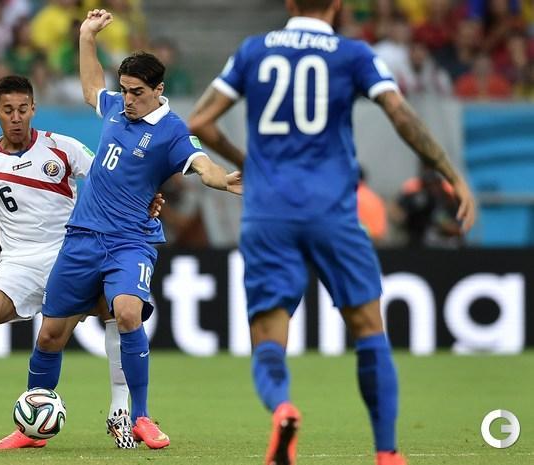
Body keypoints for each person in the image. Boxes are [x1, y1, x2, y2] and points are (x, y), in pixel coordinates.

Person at [188, 1, 476, 465]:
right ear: (337, 4)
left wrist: (251, 164)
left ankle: (283, 409)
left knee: (268, 336)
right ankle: (387, 452)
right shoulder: (353, 54)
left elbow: (200, 122)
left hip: (269, 213)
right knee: (369, 330)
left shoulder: (254, 50)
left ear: (289, 2)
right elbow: (400, 114)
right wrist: (450, 173)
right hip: (333, 211)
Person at [0, 8, 242, 451]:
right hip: (82, 237)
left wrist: (223, 180)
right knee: (50, 334)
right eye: (124, 90)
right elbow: (92, 88)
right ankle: (31, 429)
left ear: (158, 91)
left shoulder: (172, 131)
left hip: (130, 242)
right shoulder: (114, 109)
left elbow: (202, 164)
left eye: (137, 92)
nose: (127, 99)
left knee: (127, 312)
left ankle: (140, 417)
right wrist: (87, 37)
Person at [0, 75, 163, 451]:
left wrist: (145, 201)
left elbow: (112, 183)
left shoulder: (62, 148)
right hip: (19, 264)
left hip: (72, 254)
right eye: (8, 110)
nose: (16, 117)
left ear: (33, 109)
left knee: (117, 311)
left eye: (23, 109)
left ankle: (119, 413)